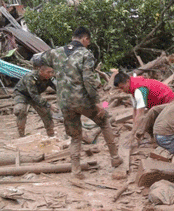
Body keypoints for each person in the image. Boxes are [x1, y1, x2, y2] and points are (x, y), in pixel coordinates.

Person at [32, 27, 122, 179]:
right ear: (85, 39)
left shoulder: (56, 52)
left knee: (75, 137)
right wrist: (98, 102)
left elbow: (35, 59)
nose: (88, 44)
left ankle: (76, 171)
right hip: (83, 99)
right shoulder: (86, 54)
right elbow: (88, 80)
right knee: (104, 120)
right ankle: (115, 159)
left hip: (64, 102)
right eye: (88, 41)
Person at [113, 70, 174, 136]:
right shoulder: (132, 87)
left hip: (167, 101)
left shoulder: (139, 90)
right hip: (158, 102)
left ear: (127, 81)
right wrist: (134, 127)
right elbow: (135, 111)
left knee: (156, 124)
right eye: (120, 89)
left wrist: (133, 132)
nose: (122, 91)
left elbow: (140, 114)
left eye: (122, 87)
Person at [13, 65, 58, 137]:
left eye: (52, 72)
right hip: (22, 94)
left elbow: (58, 88)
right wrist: (49, 105)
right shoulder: (30, 77)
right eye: (48, 72)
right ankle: (21, 134)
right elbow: (34, 95)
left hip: (35, 94)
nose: (50, 74)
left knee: (46, 112)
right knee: (20, 110)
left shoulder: (50, 78)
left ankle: (51, 134)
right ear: (41, 72)